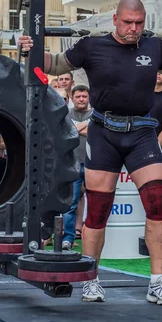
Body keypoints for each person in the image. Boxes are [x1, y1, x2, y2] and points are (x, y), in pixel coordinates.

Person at [18, 0, 162, 306]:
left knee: (156, 204)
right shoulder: (92, 45)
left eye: (139, 23)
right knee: (97, 211)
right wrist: (29, 49)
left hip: (142, 131)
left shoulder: (153, 46)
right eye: (128, 22)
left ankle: (157, 282)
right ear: (115, 19)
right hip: (104, 131)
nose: (133, 29)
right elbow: (57, 64)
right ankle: (90, 279)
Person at [62, 85, 93, 250]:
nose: (81, 99)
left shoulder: (95, 114)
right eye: (78, 96)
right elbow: (65, 132)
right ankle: (68, 237)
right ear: (72, 98)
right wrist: (84, 128)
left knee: (96, 202)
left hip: (93, 163)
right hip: (72, 164)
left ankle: (92, 237)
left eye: (84, 96)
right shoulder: (66, 114)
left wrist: (75, 129)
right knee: (70, 203)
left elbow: (95, 133)